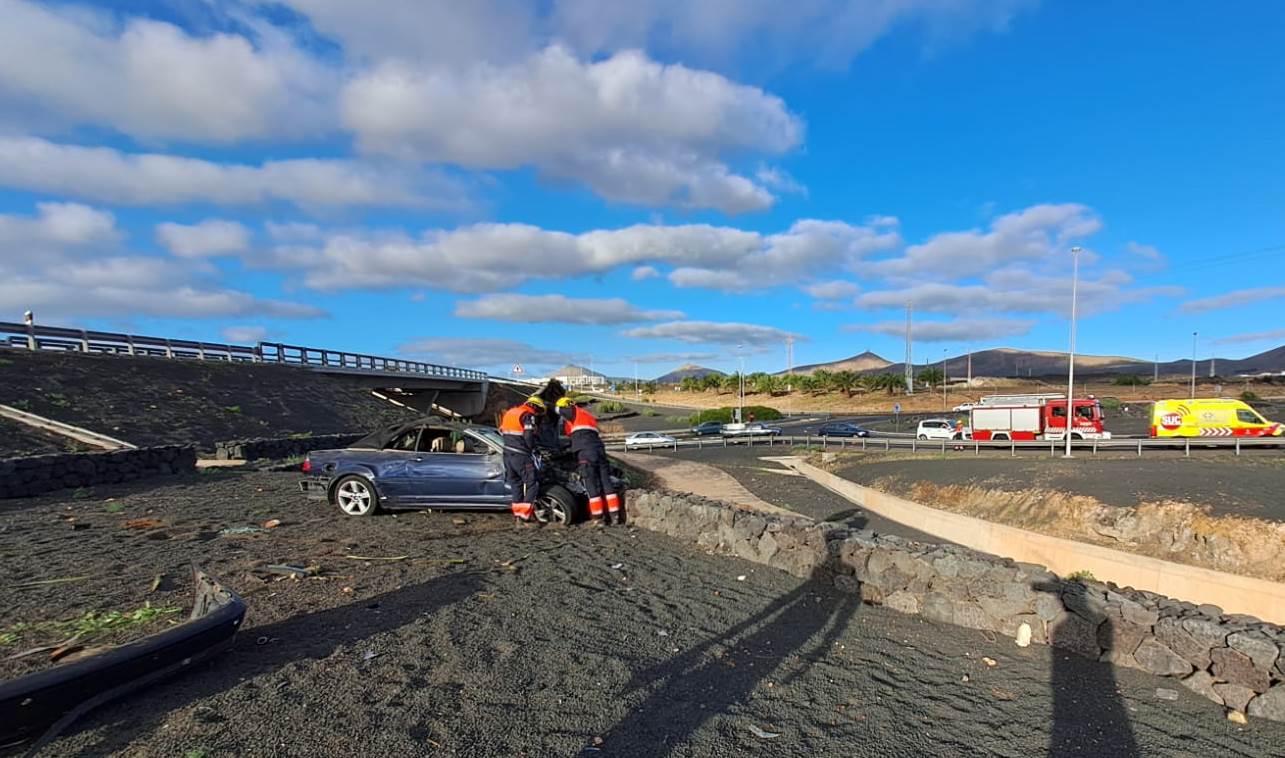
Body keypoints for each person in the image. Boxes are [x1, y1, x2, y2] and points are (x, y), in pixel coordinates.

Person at [556, 397, 620, 524]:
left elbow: (558, 411)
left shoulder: (572, 411)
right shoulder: (586, 415)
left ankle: (598, 519)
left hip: (586, 452)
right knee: (606, 483)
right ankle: (615, 516)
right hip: (599, 450)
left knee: (591, 484)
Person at [499, 395, 545, 525]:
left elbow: (502, 431)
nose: (537, 414)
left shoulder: (510, 413)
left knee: (516, 485)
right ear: (534, 407)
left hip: (507, 455)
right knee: (532, 484)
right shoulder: (527, 415)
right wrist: (534, 449)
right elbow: (528, 436)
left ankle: (518, 517)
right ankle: (525, 517)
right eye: (538, 411)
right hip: (521, 456)